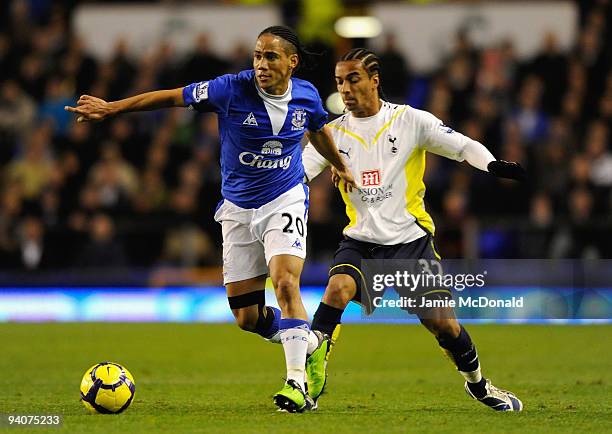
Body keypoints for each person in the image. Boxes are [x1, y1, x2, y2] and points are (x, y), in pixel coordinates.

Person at [65, 26, 356, 413]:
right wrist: (112, 107)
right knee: (246, 317)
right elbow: (172, 97)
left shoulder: (306, 95)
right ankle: (312, 343)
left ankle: (297, 385)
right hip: (237, 208)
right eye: (256, 56)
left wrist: (340, 165)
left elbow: (318, 129)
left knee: (286, 282)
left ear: (292, 62)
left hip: (284, 199)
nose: (261, 64)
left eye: (270, 56)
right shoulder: (230, 89)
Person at [302, 48, 525, 411]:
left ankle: (479, 384)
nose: (344, 88)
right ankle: (305, 379)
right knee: (337, 289)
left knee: (444, 326)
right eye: (340, 81)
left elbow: (462, 145)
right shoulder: (331, 134)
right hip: (360, 242)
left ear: (375, 81)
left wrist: (493, 165)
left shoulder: (410, 121)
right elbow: (298, 174)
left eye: (353, 79)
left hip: (410, 243)